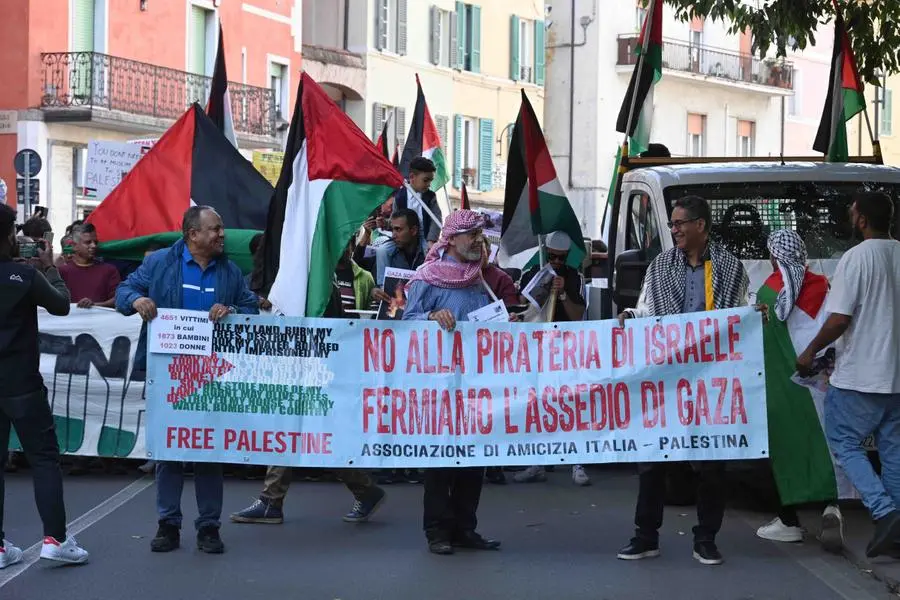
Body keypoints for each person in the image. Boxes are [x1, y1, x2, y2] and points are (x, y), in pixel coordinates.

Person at [616, 195, 751, 566]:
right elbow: (646, 309)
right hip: (667, 380)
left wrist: (755, 316)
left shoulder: (730, 267)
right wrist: (629, 314)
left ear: (700, 226)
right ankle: (646, 536)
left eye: (679, 224)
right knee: (653, 459)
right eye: (672, 224)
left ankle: (706, 538)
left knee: (712, 462)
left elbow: (739, 312)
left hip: (711, 380)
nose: (673, 230)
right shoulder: (659, 267)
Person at [116, 206, 259, 555]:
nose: (221, 235)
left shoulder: (230, 270)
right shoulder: (160, 263)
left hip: (212, 374)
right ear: (192, 234)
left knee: (209, 450)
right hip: (167, 374)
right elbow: (124, 291)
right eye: (215, 229)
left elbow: (251, 307)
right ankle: (168, 525)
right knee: (169, 451)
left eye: (221, 228)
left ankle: (209, 527)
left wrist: (233, 312)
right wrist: (137, 299)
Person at [230, 253, 387, 524]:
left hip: (314, 371)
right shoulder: (317, 282)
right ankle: (361, 489)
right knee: (307, 435)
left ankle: (273, 500)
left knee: (303, 433)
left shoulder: (319, 286)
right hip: (305, 369)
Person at [797, 192, 900, 558]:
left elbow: (839, 319)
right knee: (893, 451)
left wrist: (810, 351)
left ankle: (884, 511)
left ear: (861, 220)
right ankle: (895, 529)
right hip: (897, 377)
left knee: (843, 440)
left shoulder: (855, 258)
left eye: (852, 213)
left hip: (860, 374)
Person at [403, 209, 501, 555]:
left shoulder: (479, 277)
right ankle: (438, 531)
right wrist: (431, 316)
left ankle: (465, 527)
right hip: (438, 385)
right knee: (442, 460)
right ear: (453, 239)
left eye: (480, 234)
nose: (478, 240)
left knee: (473, 459)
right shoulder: (426, 278)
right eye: (472, 234)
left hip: (474, 383)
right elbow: (406, 323)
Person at [0, 203, 90, 567]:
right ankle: (55, 537)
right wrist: (50, 267)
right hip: (22, 384)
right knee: (43, 459)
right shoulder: (23, 277)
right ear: (9, 237)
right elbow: (62, 306)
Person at [755, 229, 851, 550]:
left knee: (785, 449)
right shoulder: (824, 285)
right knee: (824, 444)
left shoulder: (770, 291)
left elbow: (763, 339)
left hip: (784, 386)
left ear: (774, 256)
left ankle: (789, 521)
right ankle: (830, 507)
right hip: (822, 381)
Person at [513, 231, 592, 486]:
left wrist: (564, 294)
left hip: (565, 347)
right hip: (536, 346)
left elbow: (579, 313)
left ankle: (576, 461)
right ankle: (537, 461)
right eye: (553, 257)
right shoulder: (531, 273)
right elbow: (521, 306)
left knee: (569, 401)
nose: (557, 262)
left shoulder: (574, 277)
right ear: (545, 253)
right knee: (537, 403)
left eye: (562, 258)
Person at [58, 223, 120, 309]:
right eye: (88, 242)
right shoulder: (61, 272)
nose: (93, 246)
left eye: (95, 242)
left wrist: (94, 305)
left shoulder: (109, 270)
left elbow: (118, 299)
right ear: (74, 246)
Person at [371, 208, 426, 301]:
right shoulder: (386, 254)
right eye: (392, 230)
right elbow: (375, 286)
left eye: (398, 229)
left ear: (413, 230)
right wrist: (374, 292)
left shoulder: (429, 255)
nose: (393, 235)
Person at [394, 157, 442, 251]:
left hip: (424, 237)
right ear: (412, 177)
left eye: (430, 181)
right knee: (383, 251)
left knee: (430, 253)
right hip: (404, 238)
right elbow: (394, 219)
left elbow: (436, 219)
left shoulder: (430, 197)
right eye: (425, 180)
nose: (429, 184)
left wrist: (431, 240)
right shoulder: (399, 196)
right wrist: (386, 223)